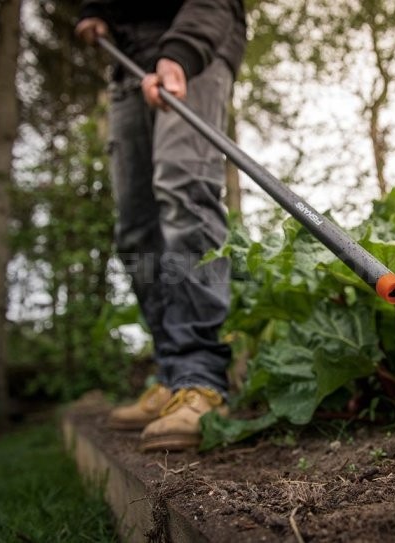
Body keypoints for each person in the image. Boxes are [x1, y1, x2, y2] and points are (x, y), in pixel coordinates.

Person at [75, 0, 246, 452]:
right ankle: (171, 376)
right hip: (127, 63)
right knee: (136, 230)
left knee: (183, 194)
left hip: (194, 47)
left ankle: (200, 379)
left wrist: (182, 51)